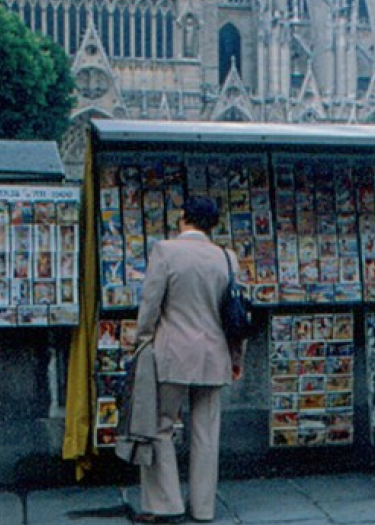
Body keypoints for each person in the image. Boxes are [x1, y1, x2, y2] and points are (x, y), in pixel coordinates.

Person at [132, 197, 244, 524]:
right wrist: (235, 357)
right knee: (206, 432)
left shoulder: (166, 252)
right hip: (214, 354)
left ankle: (165, 504)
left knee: (161, 425)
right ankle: (204, 508)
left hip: (172, 354)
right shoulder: (227, 258)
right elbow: (235, 313)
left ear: (183, 219)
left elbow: (150, 305)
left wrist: (142, 342)